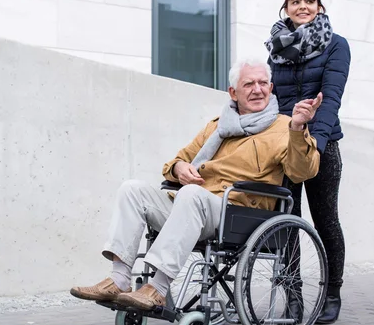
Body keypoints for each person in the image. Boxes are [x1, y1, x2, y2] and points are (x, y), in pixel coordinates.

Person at [69, 59, 321, 311]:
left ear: (271, 87)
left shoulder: (284, 128)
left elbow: (303, 172)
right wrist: (180, 169)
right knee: (132, 189)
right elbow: (178, 160)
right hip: (193, 206)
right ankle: (120, 279)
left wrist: (298, 128)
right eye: (249, 84)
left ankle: (157, 288)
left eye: (263, 83)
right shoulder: (217, 125)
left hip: (238, 212)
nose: (257, 89)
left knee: (191, 195)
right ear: (233, 92)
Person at [265, 0, 350, 325]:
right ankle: (293, 297)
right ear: (285, 8)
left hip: (322, 145)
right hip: (285, 145)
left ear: (320, 7)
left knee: (325, 219)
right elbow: (270, 101)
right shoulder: (276, 49)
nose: (303, 6)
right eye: (295, 1)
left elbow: (330, 98)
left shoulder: (336, 45)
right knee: (286, 222)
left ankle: (332, 293)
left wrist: (318, 143)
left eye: (310, 1)